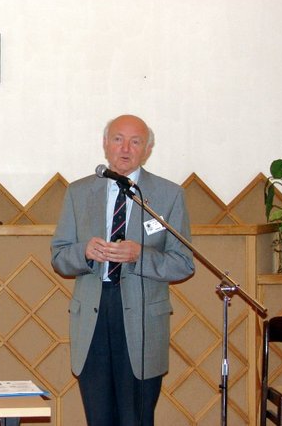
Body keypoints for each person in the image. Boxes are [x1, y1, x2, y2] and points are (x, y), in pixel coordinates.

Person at [51, 114, 195, 425]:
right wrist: (84, 252)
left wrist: (139, 255)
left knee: (136, 419)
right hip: (93, 313)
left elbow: (184, 263)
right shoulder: (78, 193)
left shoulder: (168, 195)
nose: (125, 148)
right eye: (118, 139)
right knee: (99, 418)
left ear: (148, 149)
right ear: (105, 144)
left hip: (142, 317)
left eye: (135, 141)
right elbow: (59, 257)